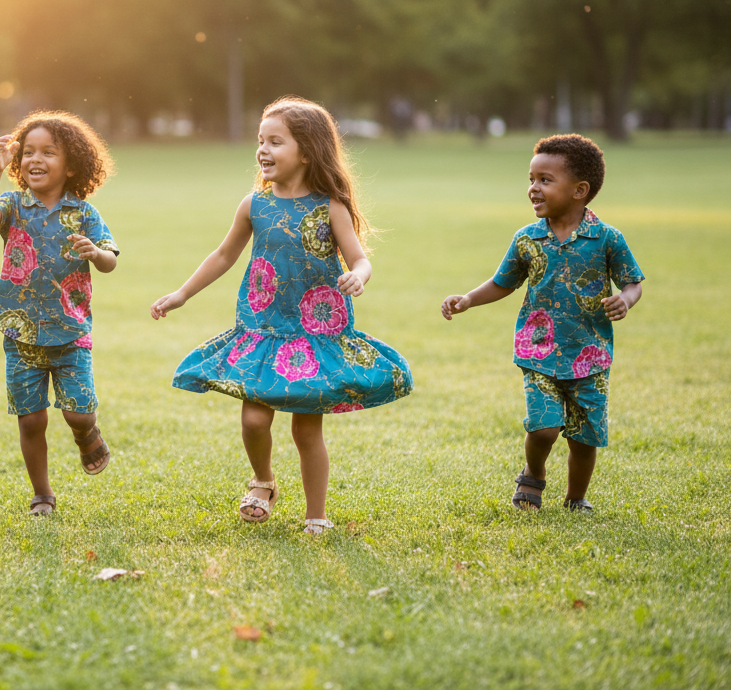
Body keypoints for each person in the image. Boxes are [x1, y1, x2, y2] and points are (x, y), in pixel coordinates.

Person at [151, 96, 413, 535]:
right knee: (254, 419)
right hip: (264, 325)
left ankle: (316, 515)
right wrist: (181, 293)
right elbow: (223, 255)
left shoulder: (331, 206)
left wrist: (359, 276)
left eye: (276, 142)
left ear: (307, 151)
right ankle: (264, 482)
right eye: (261, 141)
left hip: (313, 331)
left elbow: (359, 257)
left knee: (307, 433)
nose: (263, 150)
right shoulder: (254, 204)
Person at [441, 134, 644, 512]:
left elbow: (632, 281)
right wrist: (468, 298)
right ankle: (533, 475)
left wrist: (625, 300)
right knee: (544, 427)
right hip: (539, 349)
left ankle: (576, 498)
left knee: (585, 438)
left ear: (579, 190)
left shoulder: (606, 238)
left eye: (545, 180)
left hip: (590, 354)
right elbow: (503, 282)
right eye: (531, 179)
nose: (533, 188)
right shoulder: (527, 239)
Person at [0, 111, 119, 516]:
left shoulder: (84, 213)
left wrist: (97, 253)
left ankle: (87, 433)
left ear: (71, 164)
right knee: (31, 420)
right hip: (19, 330)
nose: (35, 160)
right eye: (28, 152)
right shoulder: (14, 205)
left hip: (71, 331)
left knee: (78, 411)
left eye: (48, 152)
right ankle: (42, 494)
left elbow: (110, 260)